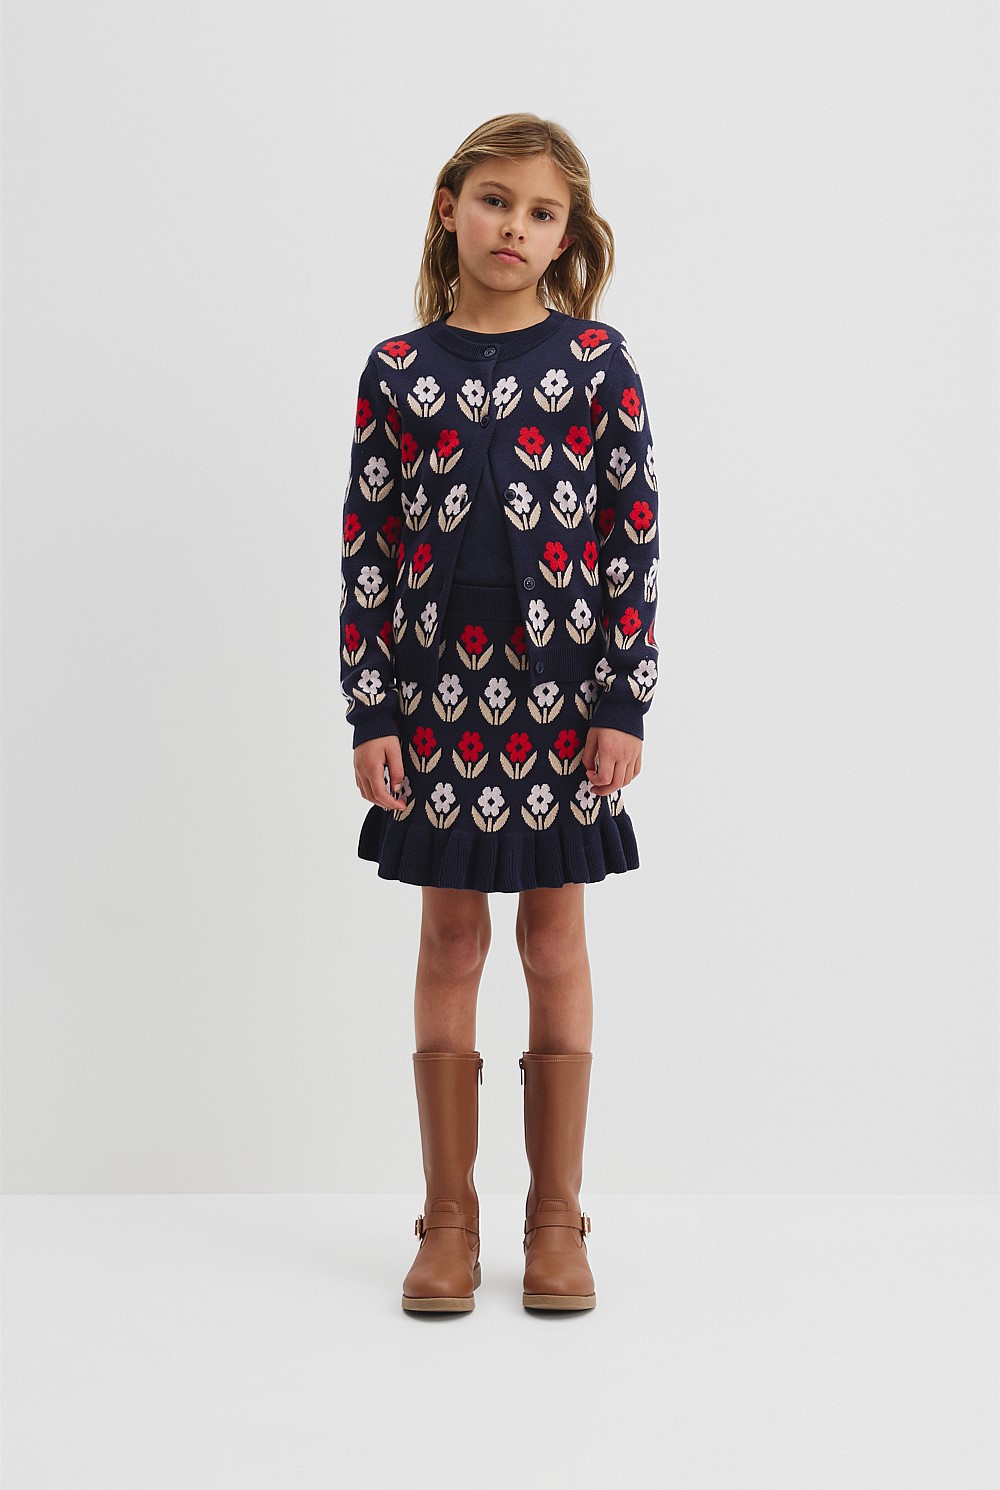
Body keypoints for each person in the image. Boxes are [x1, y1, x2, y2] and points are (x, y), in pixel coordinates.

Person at [338, 113, 661, 1313]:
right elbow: (368, 546)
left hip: (563, 707)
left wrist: (622, 697)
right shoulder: (396, 370)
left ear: (564, 236)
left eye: (539, 212)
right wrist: (371, 707)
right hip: (435, 706)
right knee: (449, 940)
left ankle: (556, 1219)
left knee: (554, 940)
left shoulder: (597, 364)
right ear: (449, 208)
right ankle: (448, 1220)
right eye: (493, 200)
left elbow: (630, 537)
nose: (513, 226)